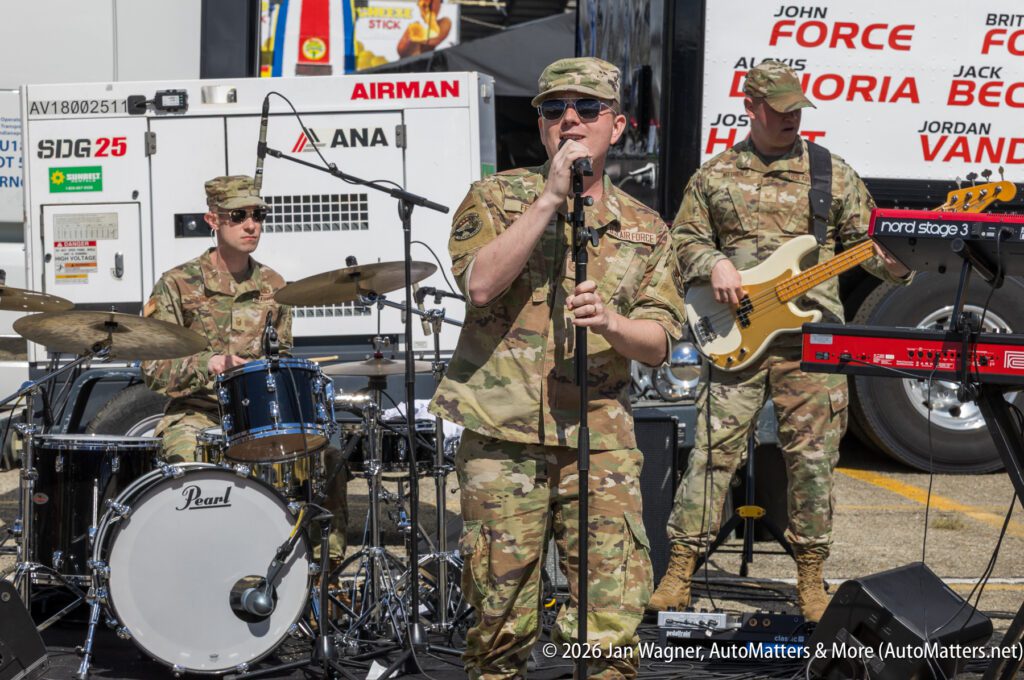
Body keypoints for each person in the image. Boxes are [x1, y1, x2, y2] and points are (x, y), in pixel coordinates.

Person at [429, 57, 685, 679]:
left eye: (587, 109)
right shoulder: (495, 198)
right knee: (497, 623)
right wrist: (549, 198)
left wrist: (614, 326)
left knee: (609, 627)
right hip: (502, 434)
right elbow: (481, 285)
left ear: (617, 126)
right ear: (541, 124)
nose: (570, 120)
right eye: (553, 109)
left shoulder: (647, 229)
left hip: (598, 439)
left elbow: (660, 343)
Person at [652, 60, 912, 622]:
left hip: (812, 344)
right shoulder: (714, 176)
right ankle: (680, 570)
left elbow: (872, 248)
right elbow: (682, 244)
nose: (792, 117)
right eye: (780, 108)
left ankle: (811, 577)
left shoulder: (831, 174)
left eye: (798, 108)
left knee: (813, 462)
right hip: (735, 337)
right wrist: (714, 261)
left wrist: (895, 262)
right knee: (712, 455)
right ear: (751, 107)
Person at [140, 175, 347, 558]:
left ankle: (320, 577)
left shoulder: (274, 286)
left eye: (258, 215)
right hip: (197, 413)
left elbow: (281, 360)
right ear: (213, 220)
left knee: (326, 459)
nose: (251, 225)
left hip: (258, 419)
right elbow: (153, 369)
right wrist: (210, 363)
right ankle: (195, 560)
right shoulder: (177, 284)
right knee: (185, 461)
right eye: (238, 216)